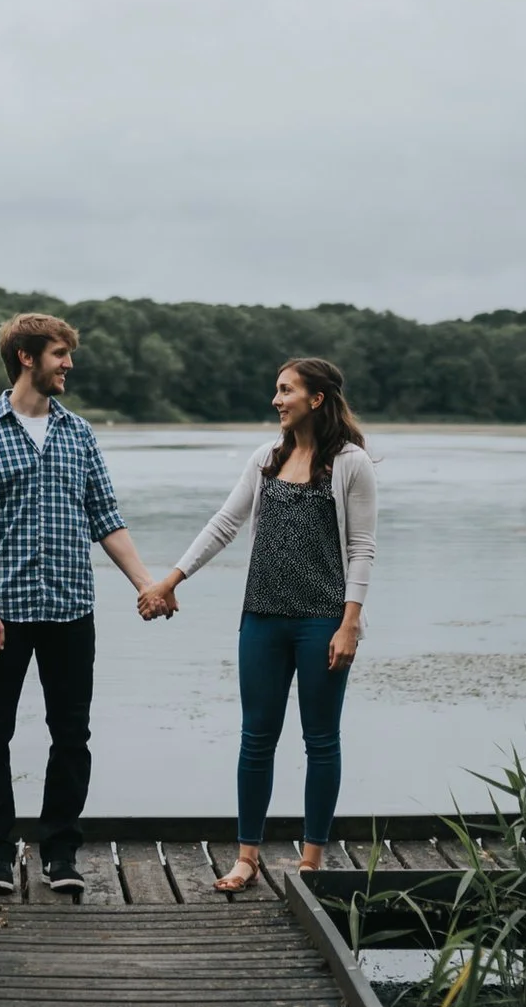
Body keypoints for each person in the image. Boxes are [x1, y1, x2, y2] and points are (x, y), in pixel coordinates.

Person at [0, 311, 170, 896]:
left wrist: (148, 584)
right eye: (59, 354)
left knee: (71, 735)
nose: (68, 363)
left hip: (72, 610)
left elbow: (107, 519)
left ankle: (60, 853)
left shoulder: (79, 434)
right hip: (5, 613)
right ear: (27, 357)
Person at [139, 357, 374, 891]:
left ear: (316, 399)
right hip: (262, 620)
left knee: (321, 741)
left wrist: (350, 623)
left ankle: (311, 859)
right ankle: (247, 857)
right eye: (276, 390)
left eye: (286, 390)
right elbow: (224, 524)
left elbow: (362, 548)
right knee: (256, 740)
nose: (276, 400)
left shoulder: (350, 463)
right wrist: (171, 579)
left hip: (322, 622)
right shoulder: (265, 459)